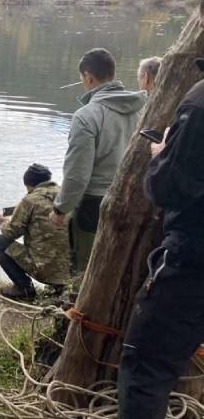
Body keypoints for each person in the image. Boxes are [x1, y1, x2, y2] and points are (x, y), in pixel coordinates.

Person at [117, 0, 204, 418]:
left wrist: (160, 156)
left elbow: (169, 188)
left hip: (193, 261)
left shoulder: (200, 104)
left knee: (145, 368)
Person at [49, 48, 147, 274]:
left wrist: (60, 209)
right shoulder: (142, 107)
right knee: (121, 263)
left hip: (94, 203)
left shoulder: (87, 115)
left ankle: (82, 307)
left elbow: (77, 173)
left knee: (87, 268)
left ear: (88, 77)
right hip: (133, 196)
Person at [0, 164, 70, 300]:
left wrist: (3, 222)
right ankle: (59, 286)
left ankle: (24, 288)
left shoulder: (29, 200)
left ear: (29, 185)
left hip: (44, 270)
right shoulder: (66, 194)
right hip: (68, 271)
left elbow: (10, 233)